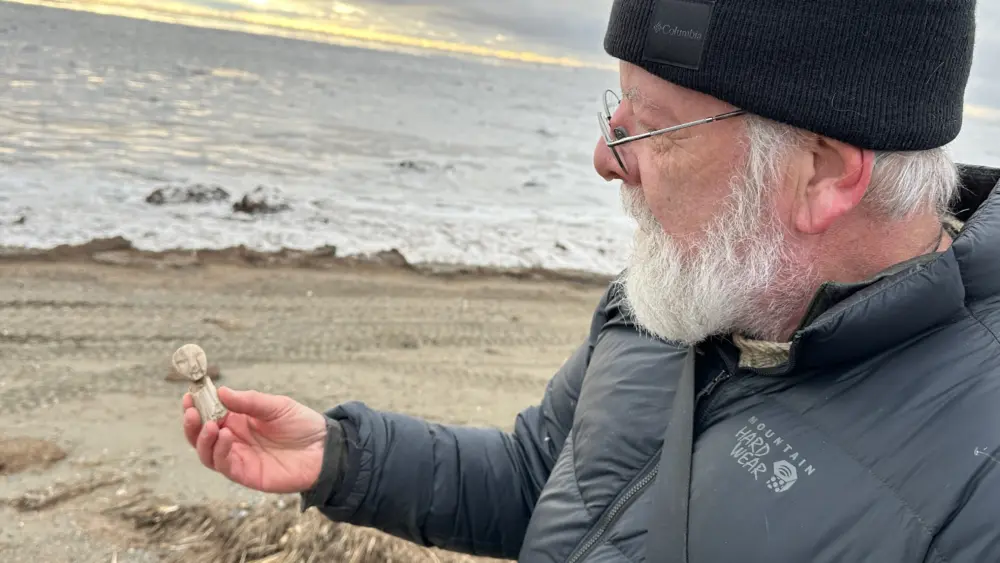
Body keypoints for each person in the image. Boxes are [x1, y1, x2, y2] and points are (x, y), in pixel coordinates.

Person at [183, 0, 1000, 561]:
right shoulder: (687, 289)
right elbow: (546, 477)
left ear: (821, 173)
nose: (606, 159)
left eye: (652, 129)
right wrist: (342, 458)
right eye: (616, 113)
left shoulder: (978, 488)